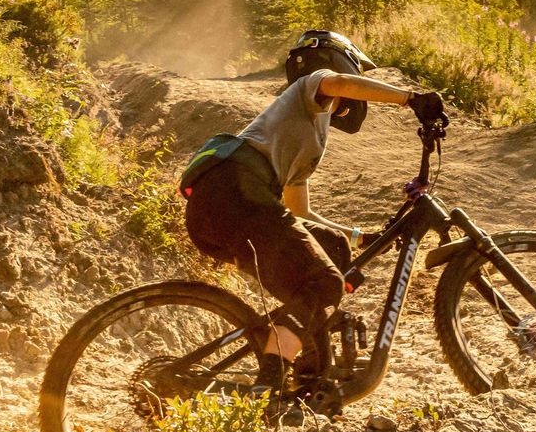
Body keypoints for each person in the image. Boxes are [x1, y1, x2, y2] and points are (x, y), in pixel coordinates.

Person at [178, 29, 446, 389]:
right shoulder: (311, 85)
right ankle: (269, 385)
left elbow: (299, 214)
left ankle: (310, 375)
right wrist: (410, 98)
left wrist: (359, 236)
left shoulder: (309, 135)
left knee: (332, 250)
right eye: (358, 75)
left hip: (228, 206)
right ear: (340, 61)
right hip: (237, 191)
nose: (358, 85)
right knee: (323, 283)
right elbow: (338, 82)